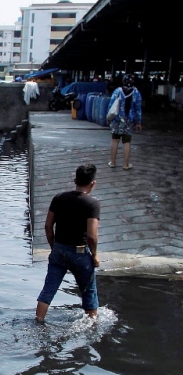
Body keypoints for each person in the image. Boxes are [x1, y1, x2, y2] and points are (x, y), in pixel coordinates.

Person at [36, 164, 100, 323]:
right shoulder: (92, 204)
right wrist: (95, 255)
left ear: (75, 180)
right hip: (79, 253)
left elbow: (48, 226)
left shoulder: (59, 198)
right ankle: (92, 326)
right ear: (93, 184)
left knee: (48, 289)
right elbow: (92, 236)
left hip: (58, 250)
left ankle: (39, 320)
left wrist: (54, 247)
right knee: (89, 291)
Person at [107, 74, 142, 170]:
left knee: (115, 140)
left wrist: (108, 118)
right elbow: (138, 109)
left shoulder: (117, 91)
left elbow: (111, 105)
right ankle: (126, 165)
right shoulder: (136, 93)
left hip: (117, 120)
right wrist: (138, 122)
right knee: (127, 142)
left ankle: (113, 163)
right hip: (129, 121)